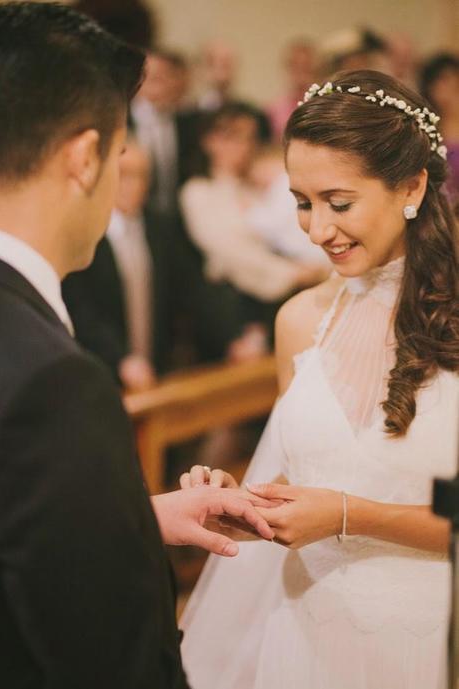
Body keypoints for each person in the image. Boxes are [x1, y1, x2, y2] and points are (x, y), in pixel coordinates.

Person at [0, 4, 275, 688]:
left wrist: (131, 519)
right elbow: (108, 659)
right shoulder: (55, 381)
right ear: (86, 157)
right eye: (121, 149)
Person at [179, 70, 459, 689]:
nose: (316, 229)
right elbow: (305, 477)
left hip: (428, 637)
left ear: (411, 186)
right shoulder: (299, 321)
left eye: (339, 202)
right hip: (304, 630)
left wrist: (346, 516)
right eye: (302, 203)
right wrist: (243, 504)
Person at [180, 103, 322, 363]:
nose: (243, 146)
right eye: (233, 136)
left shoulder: (261, 188)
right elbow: (230, 252)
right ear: (210, 140)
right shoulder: (199, 192)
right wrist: (292, 273)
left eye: (249, 137)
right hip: (233, 311)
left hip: (279, 303)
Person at [63, 139, 158, 390]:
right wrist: (121, 358)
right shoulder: (86, 233)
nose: (133, 185)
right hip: (101, 369)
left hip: (154, 366)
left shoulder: (160, 228)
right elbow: (80, 308)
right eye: (125, 175)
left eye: (141, 176)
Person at [420, 53, 459, 209]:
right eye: (443, 80)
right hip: (432, 210)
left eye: (454, 79)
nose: (450, 86)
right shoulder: (423, 127)